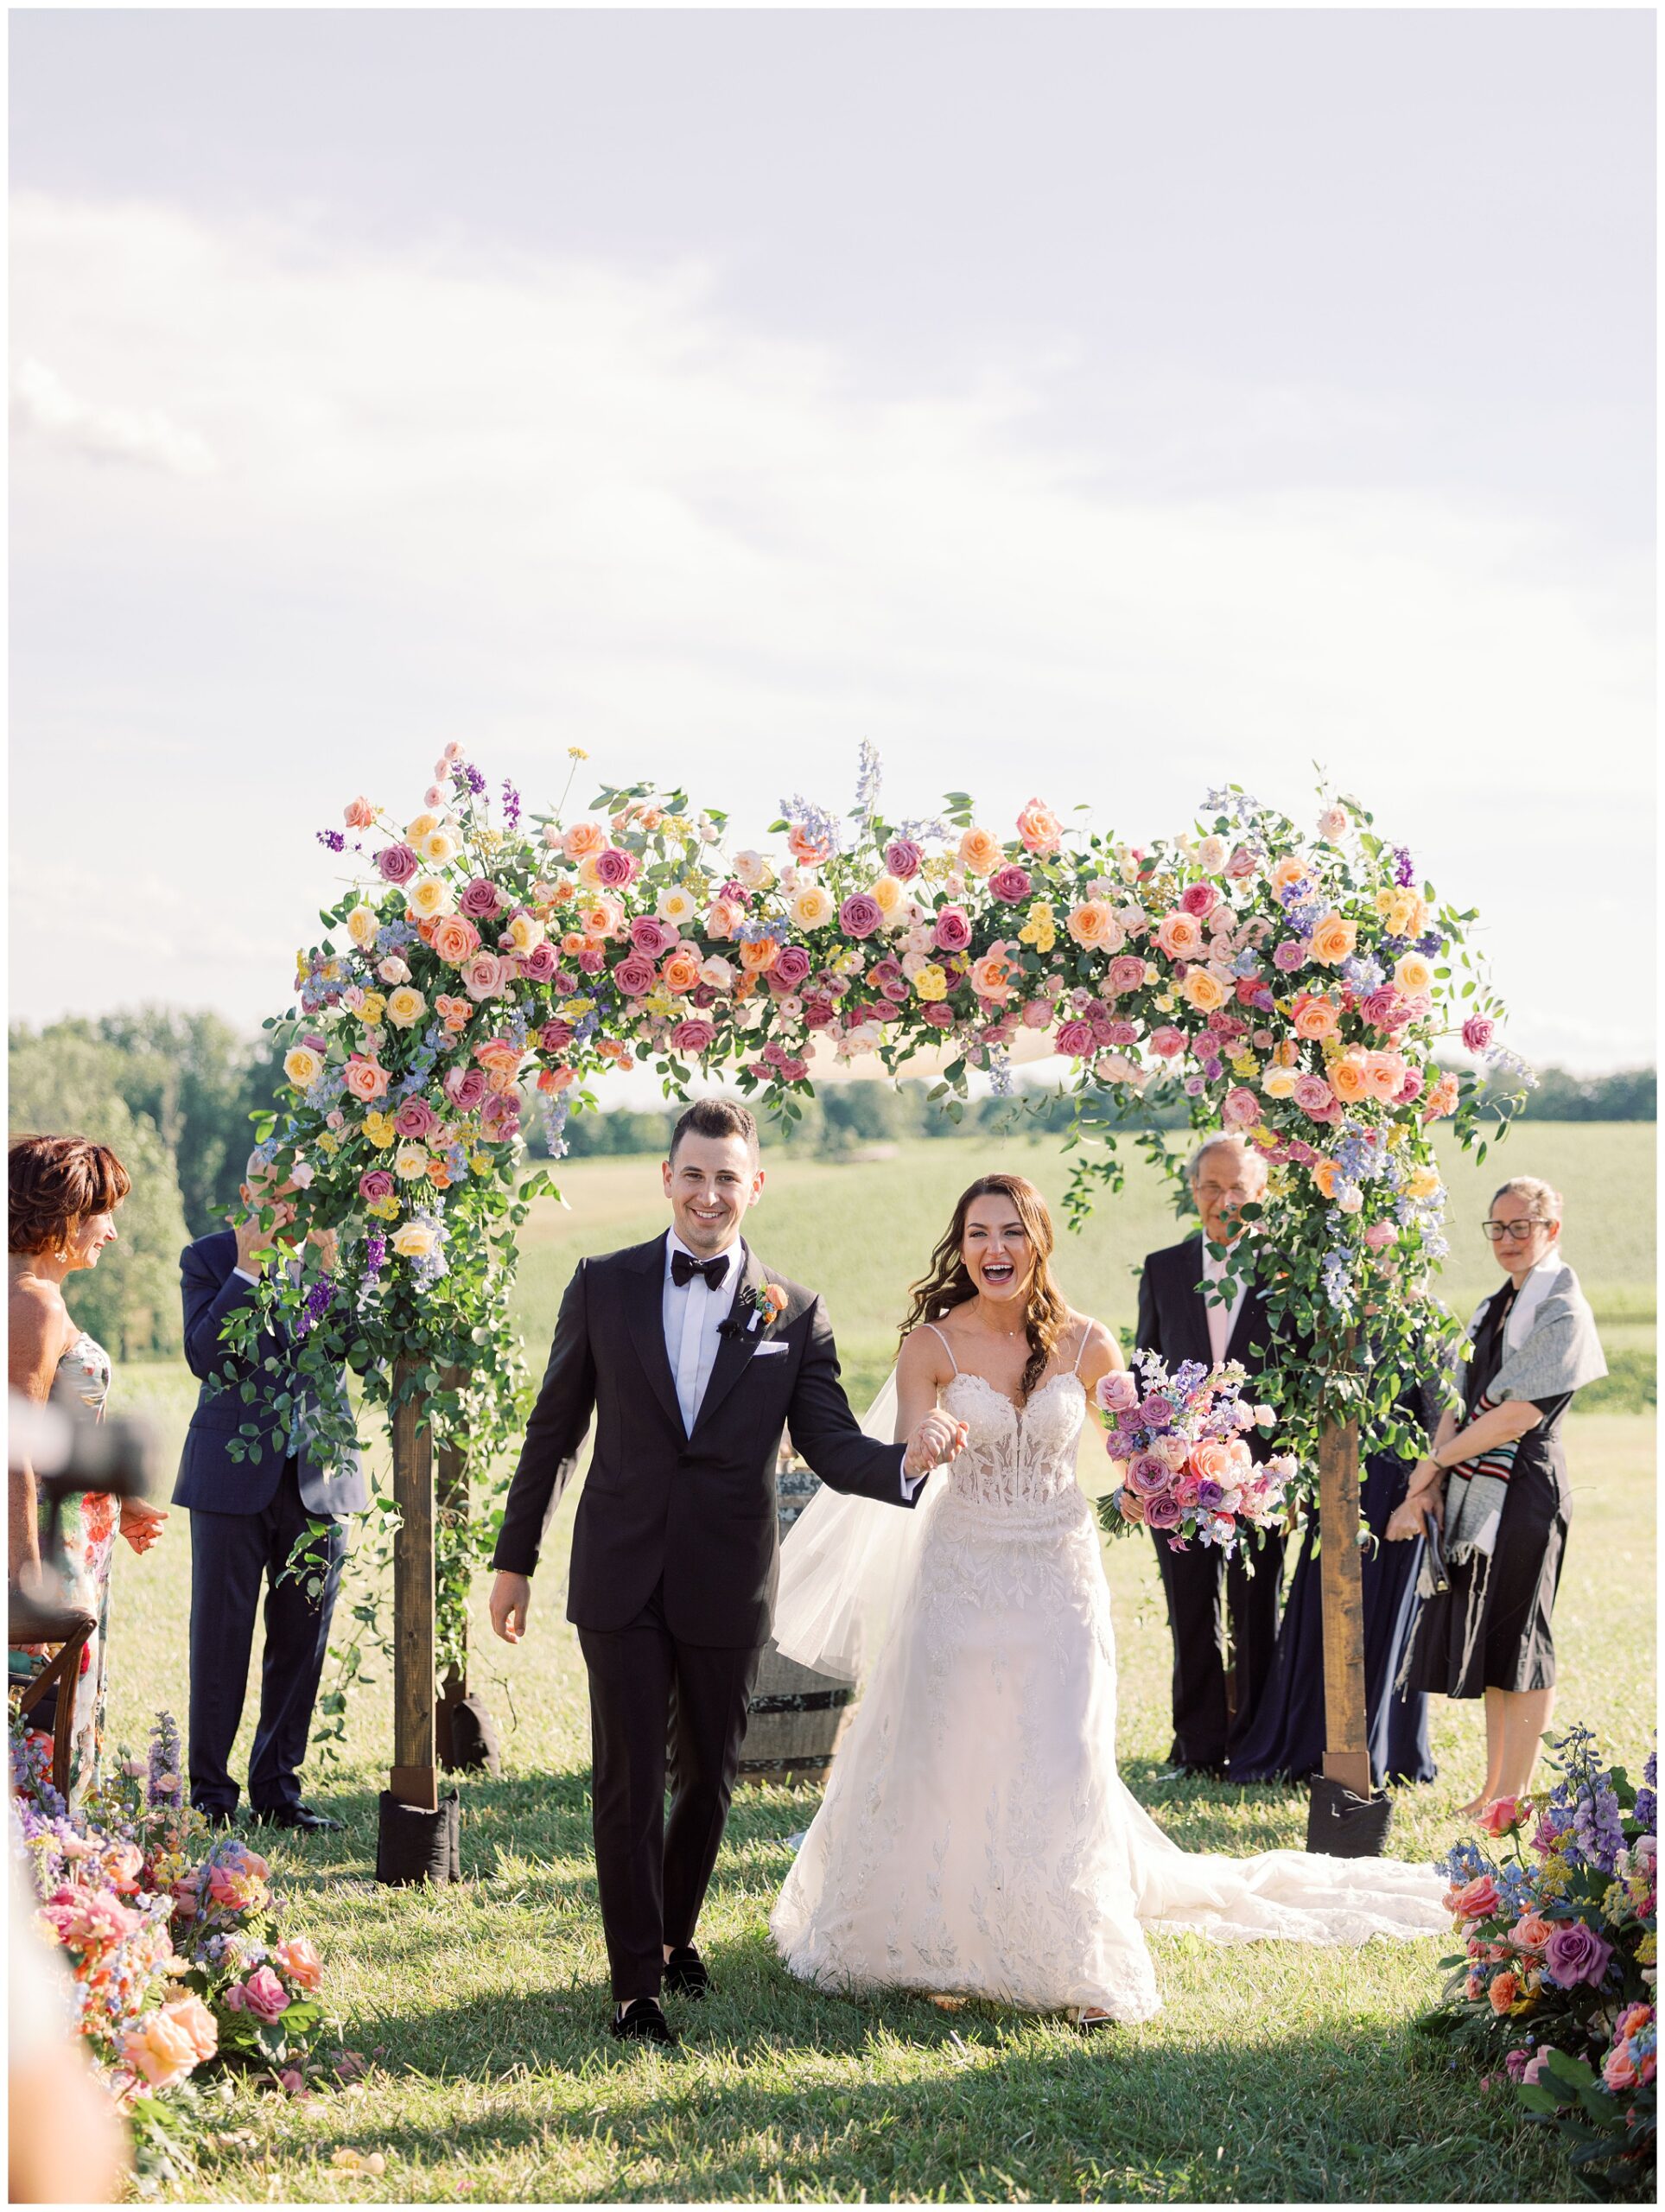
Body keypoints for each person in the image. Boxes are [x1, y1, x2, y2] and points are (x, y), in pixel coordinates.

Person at [769, 1173, 1448, 2030]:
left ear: (1039, 1240)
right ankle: (941, 1937)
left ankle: (1078, 1955)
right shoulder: (930, 1348)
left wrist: (1159, 1485)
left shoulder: (1088, 1343)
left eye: (1011, 1231)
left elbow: (1139, 1455)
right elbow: (905, 1452)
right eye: (978, 1233)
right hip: (961, 1576)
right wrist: (927, 1440)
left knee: (1063, 1752)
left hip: (1058, 1575)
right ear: (960, 1245)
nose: (994, 1249)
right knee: (953, 1751)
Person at [487, 1096, 965, 2048]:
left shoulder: (796, 1311)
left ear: (755, 1185)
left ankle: (673, 1935)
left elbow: (829, 1444)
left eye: (727, 1176)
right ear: (667, 1177)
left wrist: (907, 1461)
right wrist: (516, 1558)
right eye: (693, 1173)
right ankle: (634, 1988)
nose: (709, 1193)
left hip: (728, 1574)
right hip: (618, 1573)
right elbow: (553, 1432)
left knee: (707, 1775)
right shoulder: (603, 1284)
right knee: (626, 1780)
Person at [1389, 1177, 1605, 1815]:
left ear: (1551, 1231)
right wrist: (1433, 1475)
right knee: (1490, 1637)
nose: (1508, 1240)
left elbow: (1515, 1416)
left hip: (1526, 1489)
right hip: (1478, 1484)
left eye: (1521, 1227)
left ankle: (1514, 1795)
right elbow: (1458, 1405)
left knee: (1522, 1636)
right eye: (1497, 1228)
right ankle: (1492, 1790)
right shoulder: (1491, 1308)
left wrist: (1430, 1465)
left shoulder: (1562, 1310)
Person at [174, 1153, 367, 1830]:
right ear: (247, 1192)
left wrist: (338, 1273)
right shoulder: (207, 1258)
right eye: (273, 1191)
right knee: (220, 1636)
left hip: (318, 1479)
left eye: (299, 1192)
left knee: (302, 1637)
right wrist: (249, 1269)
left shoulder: (334, 1260)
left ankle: (278, 1792)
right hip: (230, 1475)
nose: (287, 1205)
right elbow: (208, 1358)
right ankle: (209, 1795)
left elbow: (355, 1349)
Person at [9, 1135, 168, 1813]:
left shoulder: (38, 1294)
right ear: (66, 1212)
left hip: (70, 1536)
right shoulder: (30, 1304)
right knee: (39, 1731)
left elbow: (53, 1434)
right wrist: (28, 1583)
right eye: (104, 1211)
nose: (112, 1230)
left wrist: (118, 1497)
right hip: (44, 1550)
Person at [1134, 1135, 1286, 1777]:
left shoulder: (1286, 1272)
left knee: (1255, 1609)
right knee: (1190, 1608)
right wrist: (1150, 1461)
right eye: (1211, 1188)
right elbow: (1145, 1371)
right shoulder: (1163, 1268)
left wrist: (1278, 1464)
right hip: (1179, 1474)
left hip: (1260, 1475)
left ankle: (1252, 1744)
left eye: (1239, 1191)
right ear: (1192, 1191)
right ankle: (1195, 1748)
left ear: (1260, 1196)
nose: (1224, 1202)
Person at [1230, 1365, 1438, 1788]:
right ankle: (1310, 1743)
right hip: (1336, 1490)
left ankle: (1385, 1749)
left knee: (1383, 1619)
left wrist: (1422, 1496)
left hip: (1397, 1495)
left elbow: (1443, 1425)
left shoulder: (1425, 1328)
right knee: (1322, 1619)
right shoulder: (1330, 1318)